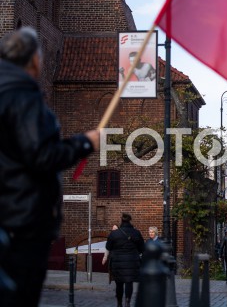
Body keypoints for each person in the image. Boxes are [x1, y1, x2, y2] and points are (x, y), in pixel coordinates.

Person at [0, 27, 100, 307]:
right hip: (23, 217)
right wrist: (85, 143)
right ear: (34, 60)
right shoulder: (23, 95)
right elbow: (41, 156)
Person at [105, 213, 145, 307]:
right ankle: (127, 302)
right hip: (132, 262)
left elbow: (108, 247)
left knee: (119, 284)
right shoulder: (136, 232)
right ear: (130, 220)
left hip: (117, 262)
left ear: (121, 220)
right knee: (129, 282)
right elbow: (142, 248)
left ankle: (119, 303)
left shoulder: (114, 233)